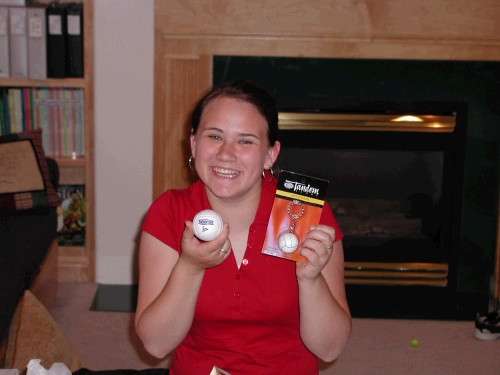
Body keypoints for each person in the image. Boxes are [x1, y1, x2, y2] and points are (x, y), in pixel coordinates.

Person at [135, 79, 352, 374]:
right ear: (194, 143)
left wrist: (311, 280)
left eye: (245, 141)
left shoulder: (300, 211)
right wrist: (190, 267)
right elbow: (156, 345)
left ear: (270, 154)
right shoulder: (170, 211)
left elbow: (330, 349)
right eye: (214, 136)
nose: (226, 154)